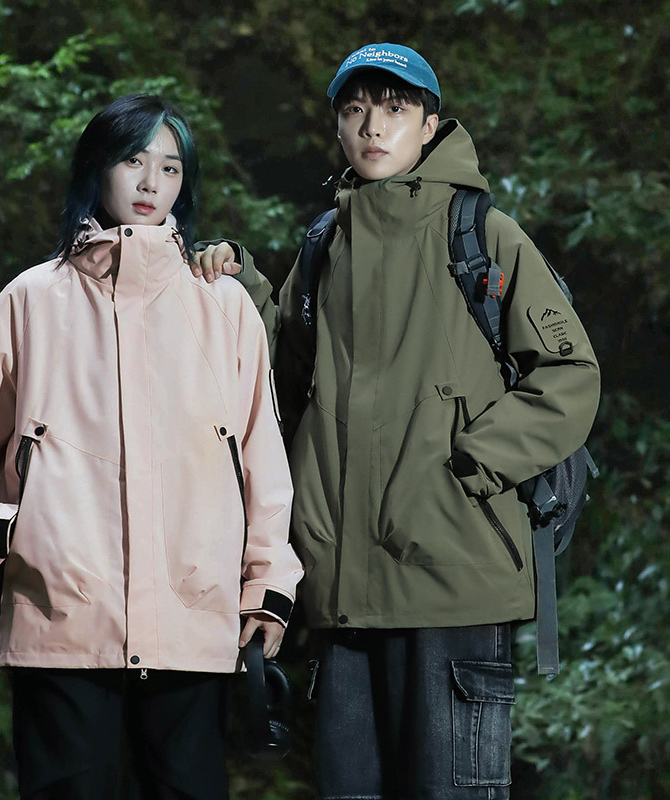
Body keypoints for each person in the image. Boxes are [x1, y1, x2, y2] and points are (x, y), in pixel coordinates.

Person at [195, 44, 600, 799]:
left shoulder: (484, 235)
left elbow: (569, 374)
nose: (372, 127)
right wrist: (239, 282)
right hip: (342, 592)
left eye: (393, 109)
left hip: (455, 582)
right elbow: (277, 374)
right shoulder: (325, 246)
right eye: (355, 110)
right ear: (337, 129)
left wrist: (470, 466)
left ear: (430, 126)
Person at [0, 93, 303, 800]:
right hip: (60, 618)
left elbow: (261, 461)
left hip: (194, 620)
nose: (152, 182)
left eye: (171, 167)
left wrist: (267, 587)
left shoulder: (225, 307)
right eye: (133, 160)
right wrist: (1, 529)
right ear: (97, 168)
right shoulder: (30, 301)